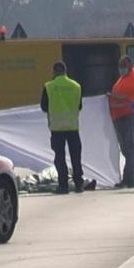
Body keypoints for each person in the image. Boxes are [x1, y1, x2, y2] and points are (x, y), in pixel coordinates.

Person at [41, 61, 86, 194]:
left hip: (57, 128)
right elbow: (79, 106)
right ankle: (79, 184)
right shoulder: (76, 86)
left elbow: (44, 107)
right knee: (76, 157)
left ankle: (63, 186)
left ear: (54, 72)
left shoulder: (49, 86)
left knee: (60, 157)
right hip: (73, 127)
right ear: (66, 71)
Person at [107, 56, 134, 188]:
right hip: (118, 117)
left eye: (124, 65)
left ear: (130, 65)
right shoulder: (121, 80)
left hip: (129, 116)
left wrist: (117, 97)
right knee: (127, 149)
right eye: (120, 65)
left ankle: (128, 179)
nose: (121, 67)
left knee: (129, 149)